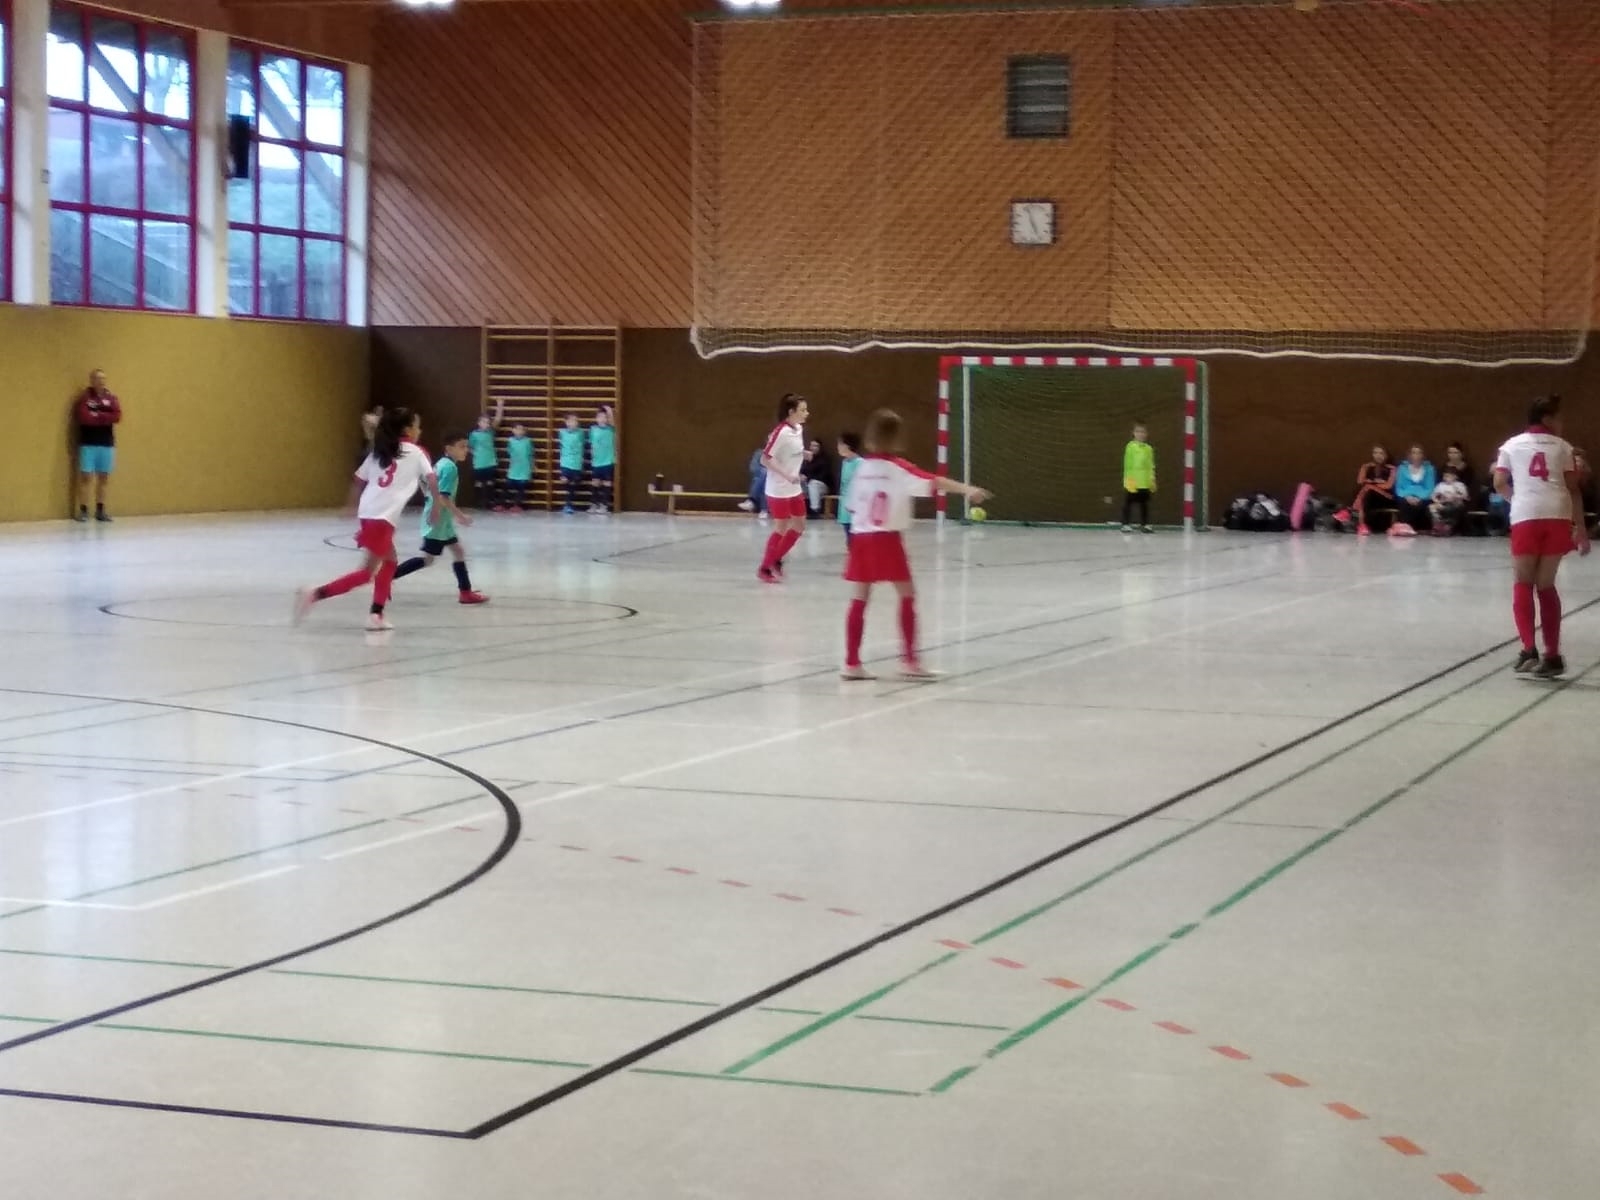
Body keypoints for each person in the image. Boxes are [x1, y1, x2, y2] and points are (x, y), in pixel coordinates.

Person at [840, 408, 990, 680]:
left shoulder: (860, 468)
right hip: (886, 538)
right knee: (907, 594)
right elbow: (934, 482)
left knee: (859, 598)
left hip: (860, 537)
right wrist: (967, 490)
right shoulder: (898, 468)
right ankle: (909, 661)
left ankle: (851, 663)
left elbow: (851, 507)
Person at [295, 407, 443, 632]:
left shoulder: (380, 452)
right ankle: (316, 594)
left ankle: (376, 614)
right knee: (366, 572)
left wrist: (352, 506)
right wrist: (435, 508)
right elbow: (431, 480)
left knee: (390, 563)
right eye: (417, 426)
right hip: (382, 517)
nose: (419, 431)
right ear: (407, 429)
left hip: (370, 512)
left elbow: (358, 479)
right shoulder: (416, 451)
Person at [1493, 394, 1590, 678]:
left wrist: (1517, 500)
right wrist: (1581, 529)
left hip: (1527, 514)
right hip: (1558, 514)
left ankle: (1528, 649)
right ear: (1547, 419)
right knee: (1546, 584)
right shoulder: (1563, 447)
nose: (1562, 422)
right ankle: (1553, 655)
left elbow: (1499, 482)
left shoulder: (1511, 445)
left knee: (1523, 582)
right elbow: (1573, 488)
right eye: (1558, 417)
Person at [392, 433, 488, 604]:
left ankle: (465, 592)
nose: (466, 450)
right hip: (438, 521)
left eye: (466, 446)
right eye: (461, 446)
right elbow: (444, 497)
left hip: (442, 521)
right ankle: (386, 577)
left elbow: (426, 483)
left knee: (458, 551)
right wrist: (460, 516)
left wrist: (429, 499)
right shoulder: (450, 468)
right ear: (449, 449)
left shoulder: (441, 464)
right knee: (427, 559)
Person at [757, 393, 809, 583]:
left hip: (794, 488)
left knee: (799, 525)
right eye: (803, 410)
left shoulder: (798, 429)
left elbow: (789, 450)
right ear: (791, 412)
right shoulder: (781, 432)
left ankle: (776, 559)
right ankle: (764, 568)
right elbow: (765, 459)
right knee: (781, 528)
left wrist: (803, 453)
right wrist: (786, 475)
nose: (807, 413)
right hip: (778, 489)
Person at [74, 369, 122, 523]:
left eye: (103, 378)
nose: (101, 381)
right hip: (88, 444)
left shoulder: (111, 398)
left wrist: (97, 415)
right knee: (86, 477)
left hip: (106, 444)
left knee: (104, 478)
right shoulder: (85, 398)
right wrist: (104, 417)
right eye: (97, 378)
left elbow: (116, 416)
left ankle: (100, 511)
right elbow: (84, 417)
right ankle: (83, 511)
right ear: (92, 380)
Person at [1352, 445, 1397, 534]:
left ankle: (1353, 513)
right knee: (1367, 492)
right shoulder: (1366, 466)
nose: (1378, 455)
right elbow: (1360, 481)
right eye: (1375, 453)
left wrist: (1371, 483)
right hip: (1369, 497)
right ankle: (1363, 525)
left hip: (1385, 497)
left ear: (1386, 455)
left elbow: (1388, 485)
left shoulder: (1392, 468)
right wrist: (1376, 483)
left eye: (1381, 453)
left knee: (1367, 488)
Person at [1120, 421, 1155, 533]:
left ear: (1146, 434)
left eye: (1143, 432)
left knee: (1144, 503)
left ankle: (1145, 524)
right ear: (1133, 433)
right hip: (1133, 480)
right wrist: (1128, 480)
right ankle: (1125, 524)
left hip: (1145, 481)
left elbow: (1151, 465)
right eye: (1138, 431)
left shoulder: (1149, 449)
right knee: (1128, 502)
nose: (1140, 434)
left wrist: (1152, 479)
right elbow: (1127, 464)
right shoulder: (1130, 447)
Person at [1393, 444, 1437, 531]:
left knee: (1423, 505)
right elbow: (1399, 487)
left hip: (1423, 497)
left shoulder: (1429, 469)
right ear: (1409, 455)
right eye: (1414, 453)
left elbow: (1430, 488)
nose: (1416, 455)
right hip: (1406, 496)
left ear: (1423, 455)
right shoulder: (1402, 468)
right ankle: (1405, 527)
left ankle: (1421, 528)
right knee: (1404, 503)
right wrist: (1407, 497)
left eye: (1419, 453)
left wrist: (1419, 498)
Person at [468, 402, 502, 510]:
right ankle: (478, 502)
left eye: (488, 422)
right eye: (483, 422)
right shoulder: (474, 434)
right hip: (479, 463)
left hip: (490, 462)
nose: (486, 424)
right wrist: (475, 453)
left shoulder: (490, 432)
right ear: (479, 423)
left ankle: (489, 502)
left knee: (490, 482)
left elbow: (497, 420)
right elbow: (469, 447)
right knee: (479, 482)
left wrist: (500, 406)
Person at [589, 407, 616, 513]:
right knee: (595, 482)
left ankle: (604, 505)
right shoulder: (593, 429)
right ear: (596, 418)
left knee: (607, 483)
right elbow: (591, 444)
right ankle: (594, 504)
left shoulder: (611, 429)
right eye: (600, 417)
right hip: (596, 462)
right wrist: (592, 456)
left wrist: (609, 411)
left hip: (608, 461)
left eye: (605, 417)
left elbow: (613, 422)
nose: (602, 419)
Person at [558, 413, 587, 514]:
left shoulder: (580, 433)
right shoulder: (562, 432)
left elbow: (583, 444)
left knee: (574, 483)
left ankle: (568, 504)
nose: (574, 423)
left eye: (576, 421)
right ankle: (568, 504)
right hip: (565, 462)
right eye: (571, 420)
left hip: (576, 462)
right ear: (566, 422)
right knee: (564, 480)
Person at [836, 432, 862, 540]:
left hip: (856, 507)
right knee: (848, 534)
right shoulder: (845, 462)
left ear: (848, 445)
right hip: (845, 504)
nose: (838, 447)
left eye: (840, 444)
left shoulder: (860, 463)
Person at [1429, 470, 1470, 535]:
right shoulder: (1440, 485)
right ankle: (1438, 525)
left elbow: (1465, 497)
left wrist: (1455, 496)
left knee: (1454, 508)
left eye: (1448, 476)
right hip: (1443, 503)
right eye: (1444, 476)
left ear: (1455, 477)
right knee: (1431, 507)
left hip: (1455, 503)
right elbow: (1433, 496)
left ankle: (1448, 527)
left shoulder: (1459, 485)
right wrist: (1437, 502)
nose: (1446, 478)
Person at [505, 424, 535, 511]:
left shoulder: (528, 441)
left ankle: (517, 505)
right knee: (508, 485)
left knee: (522, 487)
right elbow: (509, 452)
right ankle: (502, 503)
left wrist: (532, 466)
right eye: (517, 429)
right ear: (513, 430)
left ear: (524, 431)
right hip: (514, 467)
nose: (519, 431)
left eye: (522, 429)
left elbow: (531, 454)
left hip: (524, 467)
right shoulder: (510, 440)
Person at [802, 438, 834, 518]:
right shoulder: (807, 459)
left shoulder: (824, 459)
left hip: (822, 486)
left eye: (816, 446)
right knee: (798, 482)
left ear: (820, 448)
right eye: (812, 445)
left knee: (813, 483)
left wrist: (808, 478)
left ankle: (815, 509)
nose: (813, 448)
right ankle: (801, 509)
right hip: (808, 485)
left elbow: (822, 476)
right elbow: (803, 472)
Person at [738, 446, 767, 515]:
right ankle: (764, 510)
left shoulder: (781, 454)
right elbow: (753, 468)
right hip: (763, 477)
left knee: (764, 475)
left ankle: (752, 501)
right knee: (763, 478)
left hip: (778, 476)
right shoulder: (760, 453)